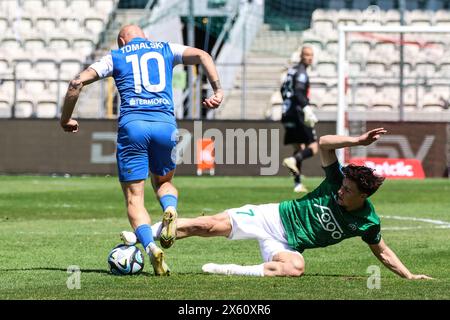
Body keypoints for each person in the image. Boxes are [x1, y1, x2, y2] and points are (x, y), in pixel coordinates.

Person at [122, 128, 432, 279]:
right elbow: (324, 143)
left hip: (287, 243)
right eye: (343, 187)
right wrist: (358, 141)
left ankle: (228, 270)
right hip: (273, 218)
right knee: (204, 225)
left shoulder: (367, 222)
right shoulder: (336, 180)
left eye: (348, 191)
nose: (341, 192)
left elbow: (383, 251)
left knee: (295, 268)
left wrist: (409, 275)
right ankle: (139, 237)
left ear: (362, 197)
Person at [59, 25, 223, 276]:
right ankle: (170, 209)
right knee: (164, 182)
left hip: (133, 126)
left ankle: (150, 248)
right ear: (145, 37)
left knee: (135, 198)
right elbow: (203, 55)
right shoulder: (165, 49)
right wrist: (217, 90)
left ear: (122, 41)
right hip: (165, 125)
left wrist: (65, 119)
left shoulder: (116, 56)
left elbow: (75, 83)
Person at [281, 46, 319, 193]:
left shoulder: (291, 71)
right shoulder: (302, 72)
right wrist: (306, 108)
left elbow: (282, 90)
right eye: (307, 55)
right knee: (314, 147)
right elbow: (298, 91)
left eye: (311, 55)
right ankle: (293, 160)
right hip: (297, 113)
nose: (310, 58)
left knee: (298, 148)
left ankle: (297, 184)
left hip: (286, 112)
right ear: (301, 56)